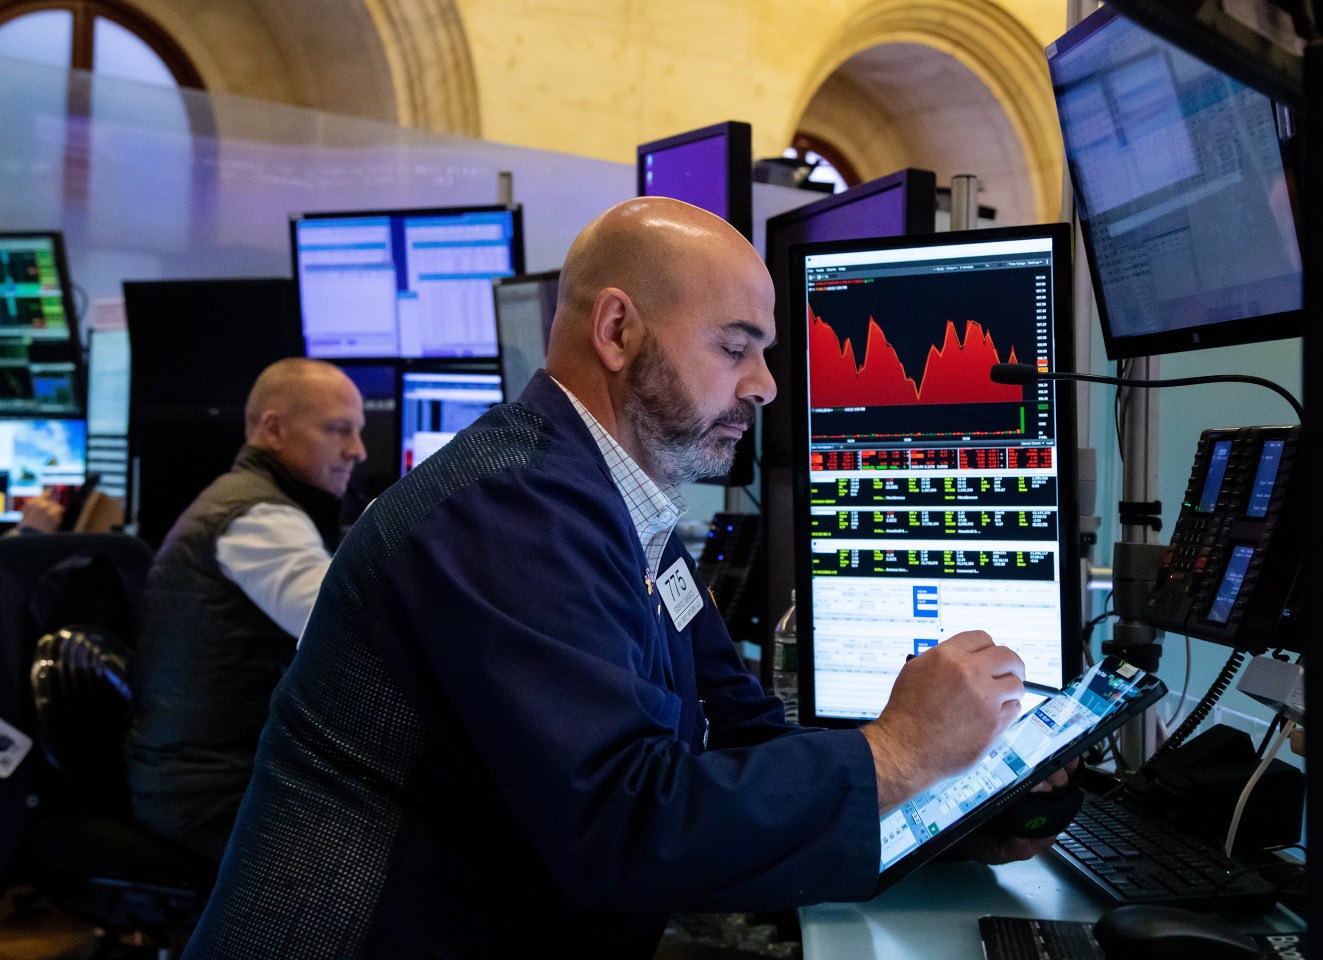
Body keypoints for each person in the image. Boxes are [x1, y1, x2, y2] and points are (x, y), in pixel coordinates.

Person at [183, 199, 1059, 958]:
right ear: (617, 331)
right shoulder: (506, 509)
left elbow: (736, 734)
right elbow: (621, 824)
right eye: (735, 347)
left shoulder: (621, 506)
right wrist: (898, 752)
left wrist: (952, 804)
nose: (765, 387)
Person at [125, 358, 367, 862]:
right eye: (338, 430)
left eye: (358, 432)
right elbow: (351, 633)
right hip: (209, 790)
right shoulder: (258, 517)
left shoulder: (257, 502)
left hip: (217, 769)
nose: (357, 451)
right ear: (273, 430)